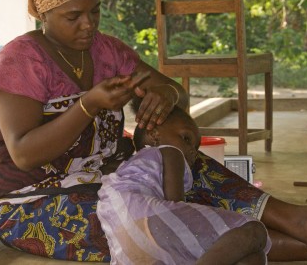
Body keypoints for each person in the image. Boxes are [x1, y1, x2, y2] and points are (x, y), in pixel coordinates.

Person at [0, 0, 307, 262]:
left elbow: (171, 90)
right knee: (137, 222)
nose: (88, 25)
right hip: (30, 199)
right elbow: (23, 154)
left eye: (95, 12)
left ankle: (305, 222)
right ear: (44, 14)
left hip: (105, 177)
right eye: (73, 17)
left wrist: (165, 93)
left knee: (186, 166)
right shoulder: (20, 61)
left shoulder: (105, 51)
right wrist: (87, 105)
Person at [97, 103, 271, 264]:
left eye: (196, 148)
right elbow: (176, 205)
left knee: (254, 257)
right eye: (186, 139)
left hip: (123, 232)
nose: (192, 151)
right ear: (154, 134)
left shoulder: (135, 164)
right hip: (143, 211)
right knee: (253, 229)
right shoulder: (171, 153)